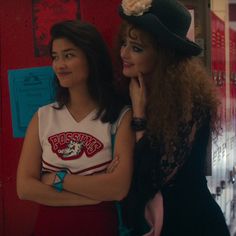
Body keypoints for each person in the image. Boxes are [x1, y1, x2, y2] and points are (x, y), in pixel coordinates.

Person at [116, 0, 231, 235]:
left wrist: (139, 116)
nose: (124, 53)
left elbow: (153, 176)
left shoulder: (189, 103)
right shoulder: (131, 93)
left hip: (193, 223)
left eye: (136, 48)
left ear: (163, 55)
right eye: (124, 43)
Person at [16, 20, 134, 236]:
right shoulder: (44, 116)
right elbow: (24, 188)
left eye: (69, 55)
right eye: (55, 56)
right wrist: (90, 195)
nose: (59, 65)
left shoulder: (120, 116)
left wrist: (56, 179)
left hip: (99, 228)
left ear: (91, 58)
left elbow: (117, 188)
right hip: (49, 227)